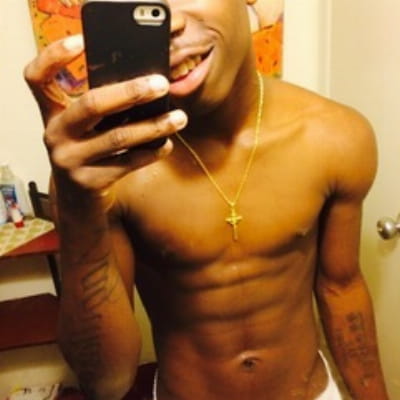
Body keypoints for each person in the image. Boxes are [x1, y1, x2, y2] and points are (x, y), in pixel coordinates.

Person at [24, 0, 389, 399]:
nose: (172, 21)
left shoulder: (335, 135)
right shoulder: (104, 170)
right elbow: (106, 383)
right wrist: (78, 209)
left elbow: (342, 289)